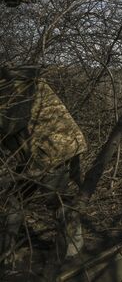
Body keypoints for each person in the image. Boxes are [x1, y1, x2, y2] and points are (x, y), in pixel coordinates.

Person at [0, 65, 87, 265]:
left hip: (50, 152)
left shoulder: (15, 86)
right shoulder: (21, 79)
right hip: (58, 146)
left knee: (55, 200)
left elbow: (13, 122)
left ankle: (71, 251)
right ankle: (7, 252)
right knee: (18, 201)